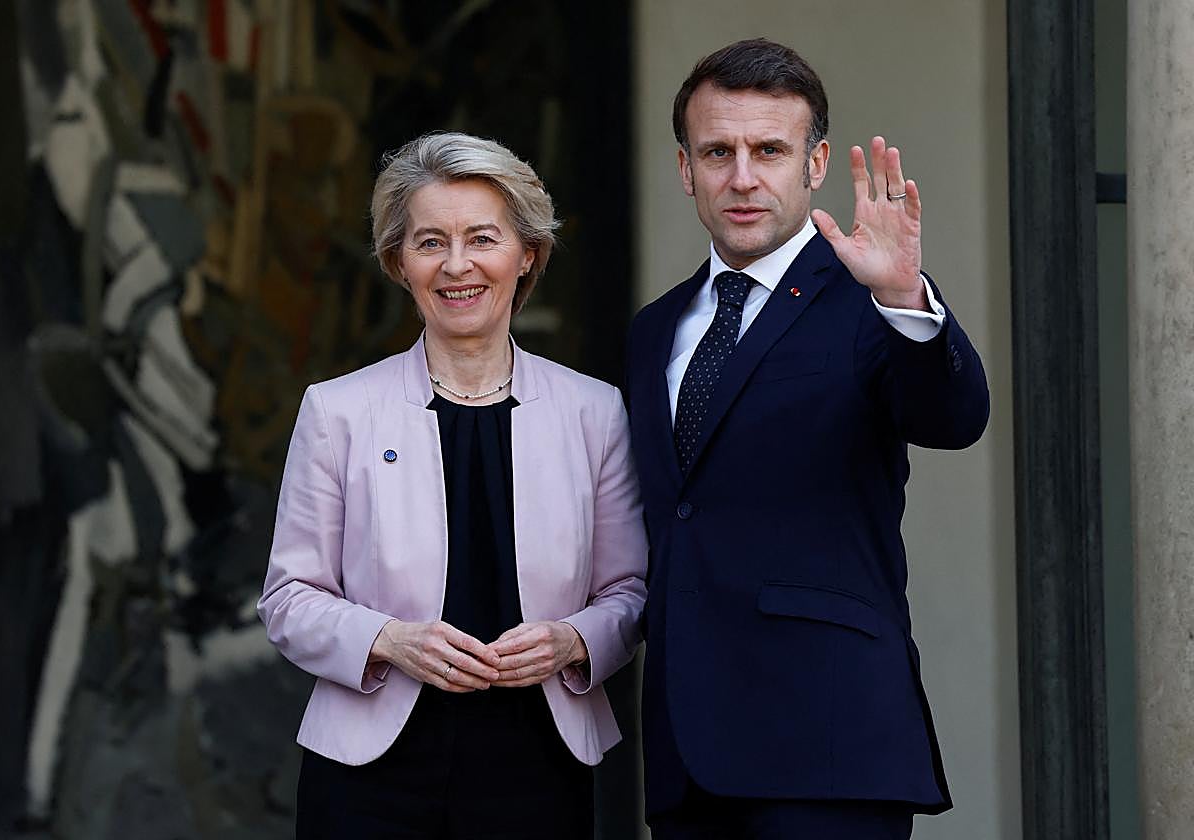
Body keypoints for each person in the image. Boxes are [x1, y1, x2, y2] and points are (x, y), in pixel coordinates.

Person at [625, 39, 990, 838]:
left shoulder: (869, 301)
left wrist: (902, 297)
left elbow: (952, 419)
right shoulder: (654, 333)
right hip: (689, 757)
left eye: (769, 150)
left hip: (829, 744)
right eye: (717, 152)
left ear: (815, 162)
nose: (743, 177)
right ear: (686, 169)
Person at [258, 131, 647, 839]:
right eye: (430, 242)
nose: (457, 265)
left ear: (526, 253)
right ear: (398, 263)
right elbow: (288, 600)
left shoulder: (595, 411)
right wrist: (388, 639)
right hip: (369, 772)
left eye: (482, 238)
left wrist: (571, 639)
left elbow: (631, 593)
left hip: (541, 766)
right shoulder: (336, 410)